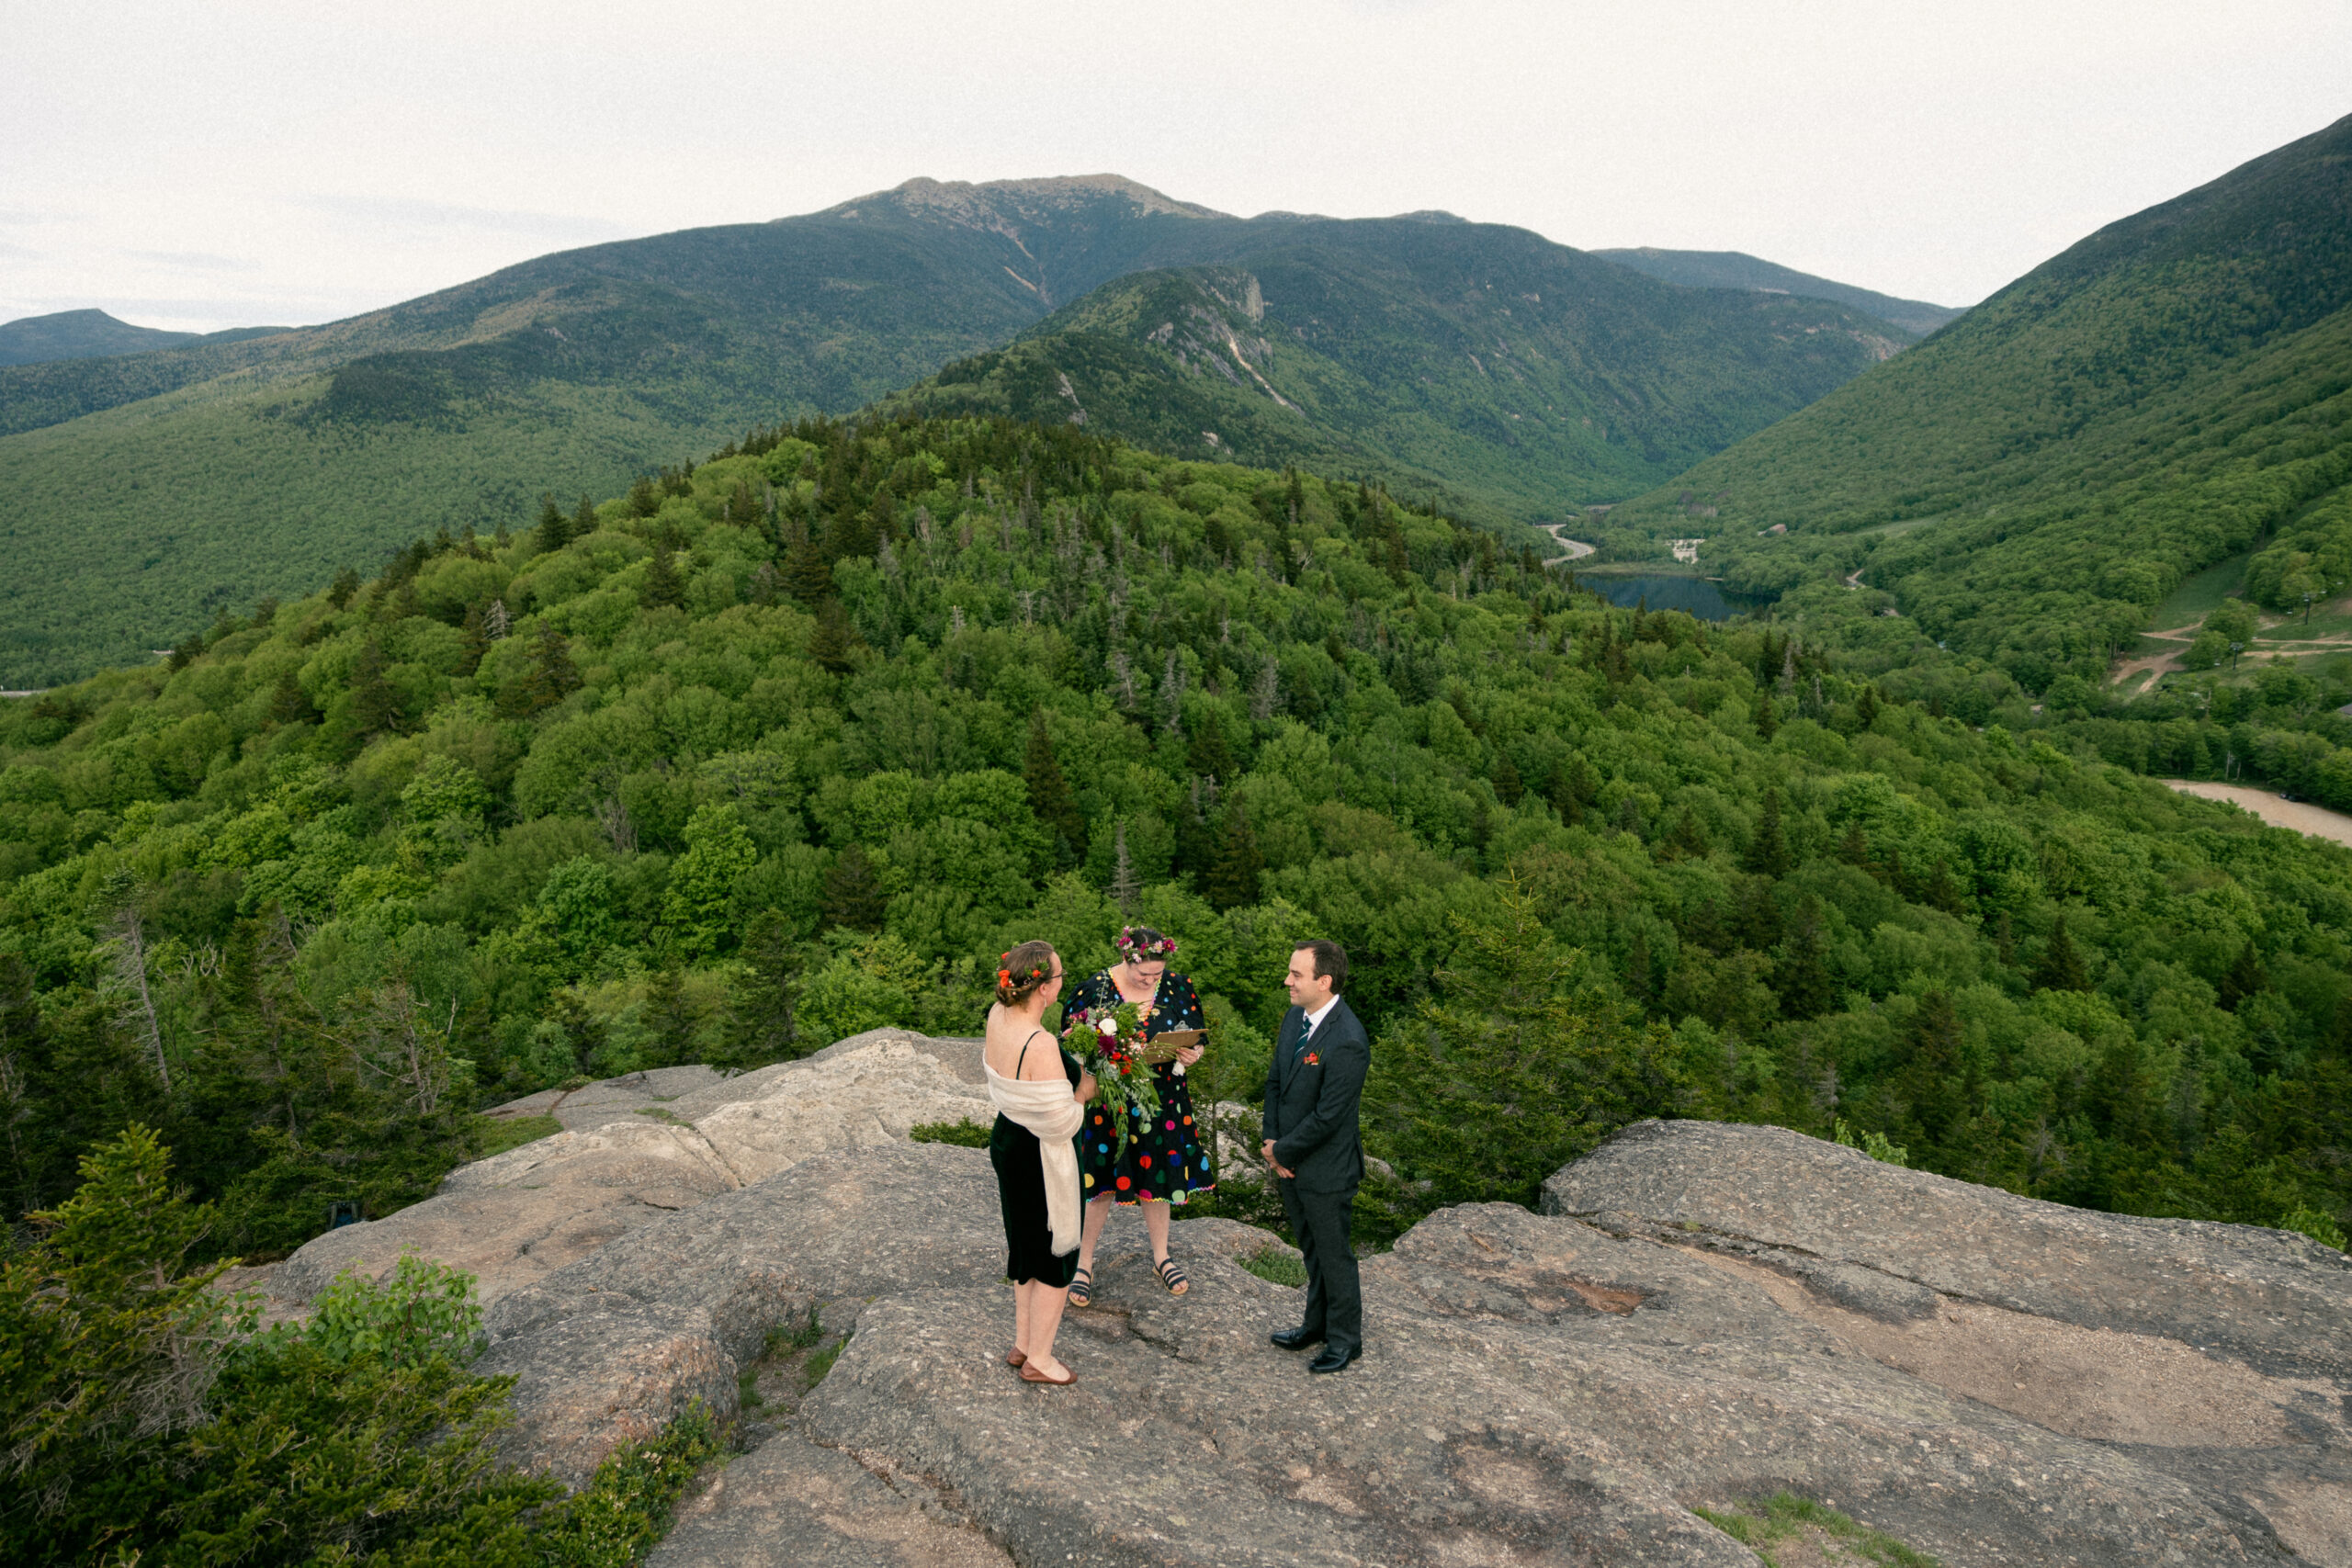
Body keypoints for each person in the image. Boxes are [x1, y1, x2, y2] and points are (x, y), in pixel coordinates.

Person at [1060, 926, 1212, 1305]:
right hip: (1107, 1100)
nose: (1149, 980)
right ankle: (1083, 1262)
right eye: (1143, 973)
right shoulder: (1093, 988)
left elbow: (1197, 1036)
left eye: (1156, 975)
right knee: (1098, 1181)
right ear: (1127, 958)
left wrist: (1193, 1054)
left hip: (1162, 1099)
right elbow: (1069, 1042)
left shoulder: (1178, 986)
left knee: (1158, 1173)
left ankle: (1161, 1256)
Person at [982, 939, 1095, 1385]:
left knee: (1024, 1242)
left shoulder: (998, 1016)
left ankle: (1023, 1342)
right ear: (1044, 988)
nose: (1063, 982)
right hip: (1040, 1154)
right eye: (1061, 976)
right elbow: (1062, 1122)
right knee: (1054, 1251)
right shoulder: (1041, 1042)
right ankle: (1041, 1360)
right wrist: (1085, 1094)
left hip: (1007, 1138)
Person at [1262, 938, 1369, 1373]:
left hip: (1326, 1169)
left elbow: (1329, 1116)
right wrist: (1272, 1145)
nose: (1287, 981)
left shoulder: (1347, 1039)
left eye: (1296, 975)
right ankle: (1316, 1324)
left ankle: (1345, 1340)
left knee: (1334, 1255)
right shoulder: (1294, 1019)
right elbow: (1274, 1083)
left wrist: (1282, 1150)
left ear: (1323, 982)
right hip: (1288, 1162)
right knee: (1311, 1251)